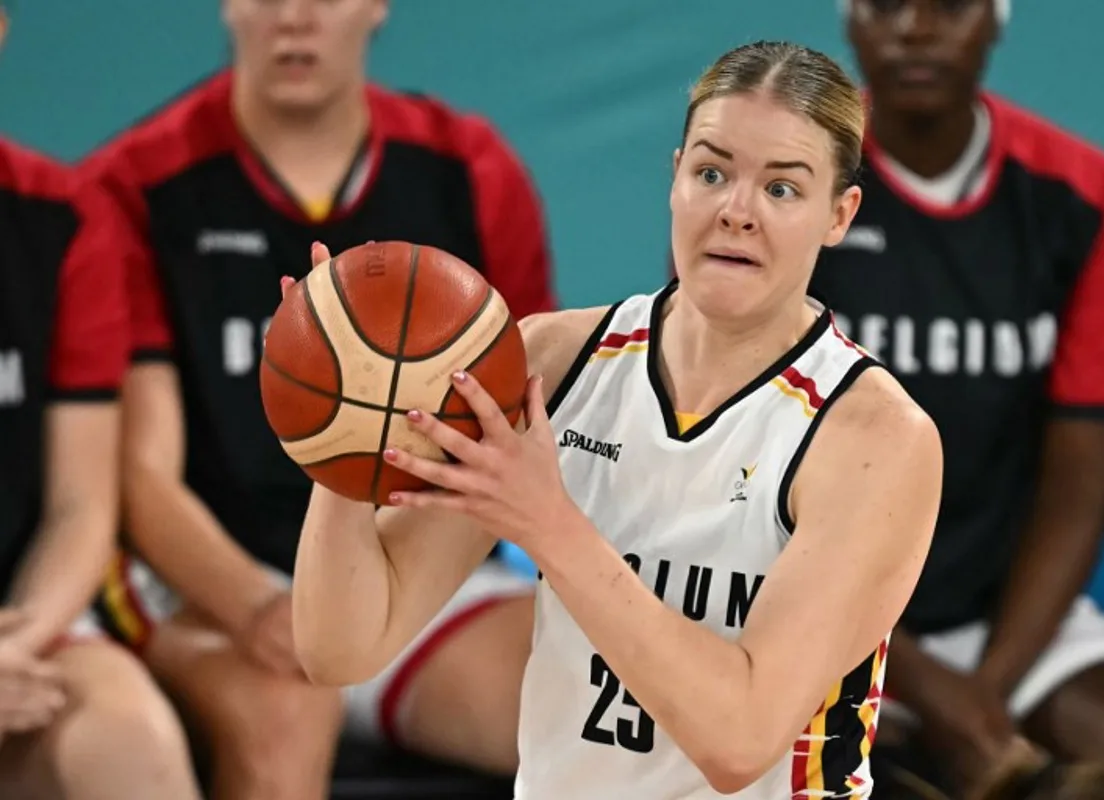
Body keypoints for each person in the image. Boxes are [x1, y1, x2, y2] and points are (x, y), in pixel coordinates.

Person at [291, 40, 942, 798]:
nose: (736, 211)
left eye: (783, 190)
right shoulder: (552, 362)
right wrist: (341, 417)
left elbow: (739, 741)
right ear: (673, 179)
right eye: (712, 172)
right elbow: (343, 649)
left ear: (840, 214)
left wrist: (549, 523)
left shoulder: (873, 438)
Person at [81, 0, 555, 797]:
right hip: (208, 580)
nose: (293, 18)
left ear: (376, 6)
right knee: (287, 714)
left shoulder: (466, 166)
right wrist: (267, 610)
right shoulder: (135, 185)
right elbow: (140, 476)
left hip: (417, 564)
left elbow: (525, 417)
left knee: (584, 699)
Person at [808, 0, 1104, 792]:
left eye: (949, 7)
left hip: (1011, 622)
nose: (915, 29)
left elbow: (1079, 479)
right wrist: (925, 690)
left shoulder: (1084, 196)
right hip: (806, 615)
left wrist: (985, 694)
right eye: (886, 6)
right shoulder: (786, 185)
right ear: (849, 20)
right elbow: (741, 484)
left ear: (996, 20)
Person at [0, 6, 203, 798]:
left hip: (20, 630)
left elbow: (81, 504)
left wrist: (19, 643)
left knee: (126, 738)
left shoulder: (60, 215)